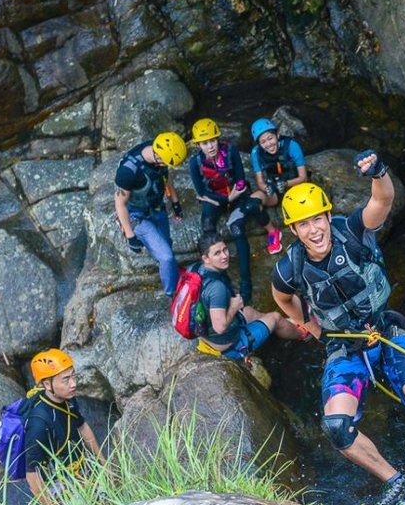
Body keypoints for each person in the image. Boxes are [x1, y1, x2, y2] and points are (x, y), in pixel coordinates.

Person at [270, 153, 405, 505]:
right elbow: (281, 297)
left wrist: (378, 172)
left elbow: (382, 200)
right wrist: (308, 325)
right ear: (293, 231)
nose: (314, 229)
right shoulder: (289, 268)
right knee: (337, 427)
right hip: (344, 346)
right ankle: (396, 481)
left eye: (317, 218)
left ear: (327, 215)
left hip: (386, 331)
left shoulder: (352, 231)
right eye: (303, 224)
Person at [188, 118, 284, 300]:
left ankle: (245, 283)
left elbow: (240, 178)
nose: (210, 147)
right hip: (215, 198)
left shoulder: (230, 151)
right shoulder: (196, 162)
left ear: (218, 139)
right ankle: (217, 275)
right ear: (199, 145)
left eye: (212, 141)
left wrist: (234, 194)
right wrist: (225, 199)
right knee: (208, 229)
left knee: (237, 228)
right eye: (205, 143)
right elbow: (201, 192)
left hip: (237, 194)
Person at [194, 232, 303, 359]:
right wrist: (234, 307)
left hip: (207, 335)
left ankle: (285, 324)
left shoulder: (197, 271)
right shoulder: (217, 288)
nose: (224, 256)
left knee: (248, 311)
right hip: (227, 346)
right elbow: (220, 327)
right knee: (276, 317)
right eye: (217, 253)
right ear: (206, 258)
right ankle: (302, 333)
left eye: (225, 250)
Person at [24, 348, 102, 505]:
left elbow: (82, 426)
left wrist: (104, 464)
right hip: (59, 485)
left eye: (73, 376)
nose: (73, 384)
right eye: (65, 379)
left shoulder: (68, 398)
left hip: (79, 469)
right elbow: (32, 474)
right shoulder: (38, 423)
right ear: (47, 384)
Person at [114, 132, 188, 297]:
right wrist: (130, 234)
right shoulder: (128, 171)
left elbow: (166, 178)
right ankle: (173, 294)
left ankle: (170, 274)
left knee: (167, 245)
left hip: (156, 206)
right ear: (158, 156)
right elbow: (120, 203)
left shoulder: (161, 149)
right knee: (167, 257)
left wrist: (175, 203)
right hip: (136, 215)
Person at [249, 117, 309, 211]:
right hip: (275, 192)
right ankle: (270, 226)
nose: (268, 144)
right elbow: (260, 182)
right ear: (259, 144)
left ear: (277, 135)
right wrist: (267, 188)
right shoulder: (256, 152)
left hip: (295, 187)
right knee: (252, 203)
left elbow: (303, 178)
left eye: (270, 138)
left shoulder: (292, 146)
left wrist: (285, 184)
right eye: (263, 142)